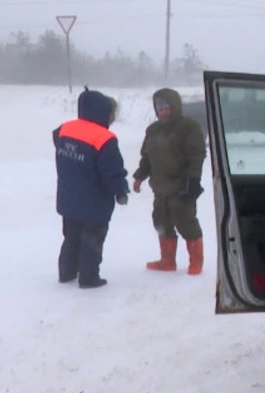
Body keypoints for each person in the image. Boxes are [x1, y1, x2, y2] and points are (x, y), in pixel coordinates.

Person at [53, 87, 129, 289]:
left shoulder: (64, 129)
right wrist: (121, 191)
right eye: (112, 114)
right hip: (94, 203)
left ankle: (66, 273)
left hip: (68, 198)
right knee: (91, 242)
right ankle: (89, 278)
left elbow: (57, 139)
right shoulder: (104, 138)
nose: (113, 118)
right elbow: (112, 170)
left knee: (71, 238)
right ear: (104, 113)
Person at [132, 88, 207, 275]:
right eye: (160, 108)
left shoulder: (188, 127)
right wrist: (140, 176)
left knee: (186, 223)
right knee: (161, 223)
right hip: (160, 188)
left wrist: (194, 180)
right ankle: (167, 261)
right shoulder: (153, 130)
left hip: (181, 188)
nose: (163, 112)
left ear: (175, 107)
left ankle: (196, 263)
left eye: (167, 108)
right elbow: (147, 158)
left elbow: (197, 155)